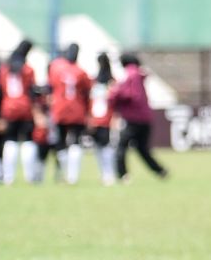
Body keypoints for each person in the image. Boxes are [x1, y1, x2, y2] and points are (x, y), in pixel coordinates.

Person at [111, 53, 168, 181]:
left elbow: (128, 94)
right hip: (145, 118)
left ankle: (122, 175)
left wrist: (113, 95)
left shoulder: (128, 75)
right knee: (142, 148)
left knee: (121, 147)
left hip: (132, 118)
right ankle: (160, 171)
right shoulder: (139, 74)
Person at [46, 44, 93, 185]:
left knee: (60, 142)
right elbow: (87, 93)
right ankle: (73, 177)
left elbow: (49, 89)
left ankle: (62, 173)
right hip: (77, 111)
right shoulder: (81, 72)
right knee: (76, 142)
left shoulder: (56, 69)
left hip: (59, 110)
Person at [0, 40, 39, 185]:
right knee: (27, 141)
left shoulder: (4, 69)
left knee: (10, 141)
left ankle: (9, 177)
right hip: (25, 108)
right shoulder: (28, 70)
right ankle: (29, 176)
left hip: (8, 108)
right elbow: (32, 92)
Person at [90, 53, 118, 185]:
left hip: (108, 119)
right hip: (96, 119)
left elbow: (115, 103)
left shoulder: (112, 83)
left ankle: (109, 173)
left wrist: (115, 118)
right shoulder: (94, 82)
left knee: (107, 147)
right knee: (99, 147)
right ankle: (104, 173)